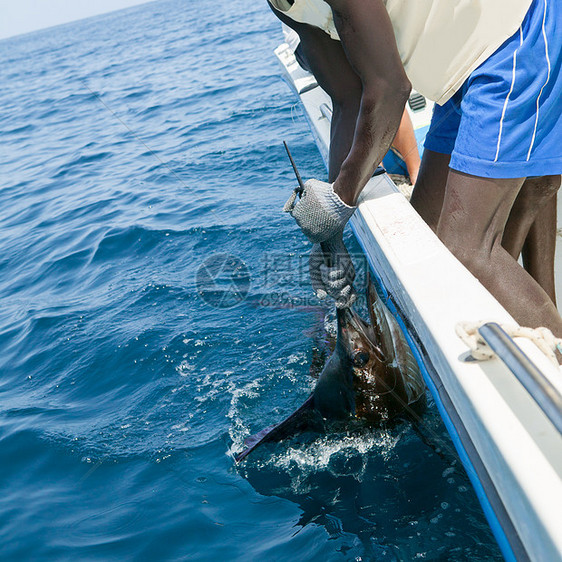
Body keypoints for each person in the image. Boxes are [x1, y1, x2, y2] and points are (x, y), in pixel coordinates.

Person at [270, 0, 562, 336]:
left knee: (465, 250)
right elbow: (348, 97)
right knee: (423, 239)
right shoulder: (281, 4)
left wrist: (341, 198)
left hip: (514, 38)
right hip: (460, 74)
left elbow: (390, 89)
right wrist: (331, 236)